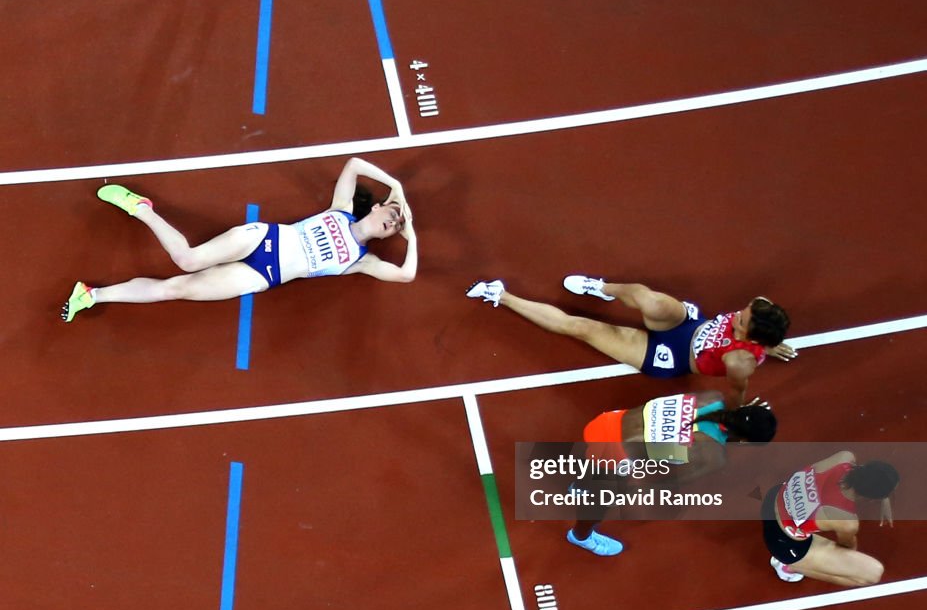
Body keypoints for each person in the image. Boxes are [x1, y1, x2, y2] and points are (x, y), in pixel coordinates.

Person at [61, 157, 416, 321]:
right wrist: (396, 186)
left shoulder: (362, 260)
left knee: (176, 288)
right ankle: (140, 208)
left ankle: (92, 295)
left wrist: (411, 233)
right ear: (377, 208)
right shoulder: (341, 209)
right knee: (187, 259)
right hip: (263, 240)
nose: (394, 221)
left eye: (397, 225)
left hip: (262, 276)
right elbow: (353, 164)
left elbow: (406, 275)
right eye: (393, 213)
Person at [466, 276, 794, 405]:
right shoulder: (760, 307)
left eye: (744, 319)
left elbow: (737, 393)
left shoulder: (739, 361)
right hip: (689, 323)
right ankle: (601, 288)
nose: (739, 312)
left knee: (579, 327)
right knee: (643, 296)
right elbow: (756, 325)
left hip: (671, 356)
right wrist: (768, 343)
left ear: (750, 335)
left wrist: (739, 416)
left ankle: (501, 295)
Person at [569, 393, 778, 555]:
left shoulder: (712, 397)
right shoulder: (712, 455)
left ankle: (581, 485)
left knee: (605, 461)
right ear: (744, 441)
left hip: (607, 421)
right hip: (612, 451)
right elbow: (665, 481)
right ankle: (580, 536)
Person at [762, 451, 898, 587]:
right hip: (783, 543)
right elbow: (846, 549)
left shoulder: (844, 457)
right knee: (871, 575)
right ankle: (789, 566)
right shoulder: (846, 521)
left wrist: (883, 496)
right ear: (870, 499)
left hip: (773, 500)